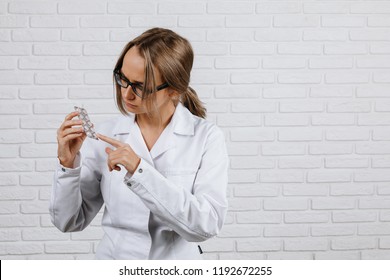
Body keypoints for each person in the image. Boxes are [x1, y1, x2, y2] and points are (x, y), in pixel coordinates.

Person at [50, 27, 229, 260]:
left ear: (174, 90)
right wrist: (68, 165)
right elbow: (69, 221)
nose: (126, 94)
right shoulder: (106, 135)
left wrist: (139, 170)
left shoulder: (206, 138)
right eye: (122, 79)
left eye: (140, 86)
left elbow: (206, 225)